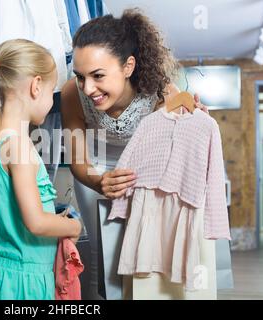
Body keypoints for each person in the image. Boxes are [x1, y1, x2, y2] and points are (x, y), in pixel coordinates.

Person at [60, 8, 208, 299]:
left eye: (98, 75)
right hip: (95, 166)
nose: (87, 88)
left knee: (142, 242)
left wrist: (193, 122)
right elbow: (78, 160)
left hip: (141, 165)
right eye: (80, 76)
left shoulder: (161, 91)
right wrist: (99, 180)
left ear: (128, 66)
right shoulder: (71, 94)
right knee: (102, 247)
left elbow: (174, 147)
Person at [0, 39, 82, 300]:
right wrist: (73, 227)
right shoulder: (18, 146)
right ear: (36, 86)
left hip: (10, 274)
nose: (52, 102)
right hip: (29, 282)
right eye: (51, 91)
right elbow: (35, 222)